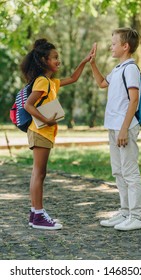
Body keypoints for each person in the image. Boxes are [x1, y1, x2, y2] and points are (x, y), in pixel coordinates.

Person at [22, 38, 94, 230]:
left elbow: (73, 78)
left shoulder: (50, 82)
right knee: (39, 173)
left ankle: (34, 213)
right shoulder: (42, 82)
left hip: (43, 133)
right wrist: (46, 120)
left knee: (39, 173)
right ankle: (38, 214)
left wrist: (85, 61)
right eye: (55, 57)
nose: (58, 61)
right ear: (44, 60)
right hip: (40, 131)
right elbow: (28, 105)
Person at [90, 27, 141, 231]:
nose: (110, 46)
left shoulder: (130, 69)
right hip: (113, 127)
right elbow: (102, 83)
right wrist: (93, 63)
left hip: (125, 128)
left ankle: (137, 217)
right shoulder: (118, 68)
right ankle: (124, 212)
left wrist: (123, 130)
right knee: (119, 172)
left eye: (114, 43)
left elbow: (134, 100)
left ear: (125, 46)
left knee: (130, 172)